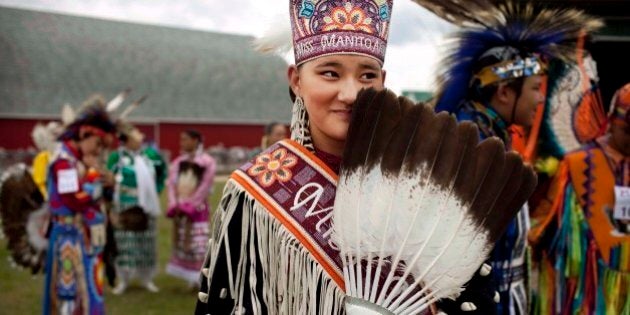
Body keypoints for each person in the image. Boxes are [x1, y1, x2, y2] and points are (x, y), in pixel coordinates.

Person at [420, 2, 602, 313]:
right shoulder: (470, 145)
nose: (540, 98)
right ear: (504, 92)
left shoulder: (488, 136)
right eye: (535, 88)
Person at [529, 83, 630, 315]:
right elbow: (543, 222)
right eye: (628, 131)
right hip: (586, 295)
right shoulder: (578, 165)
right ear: (612, 120)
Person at [43, 95, 116, 315]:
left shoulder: (78, 160)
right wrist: (97, 181)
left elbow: (96, 199)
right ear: (84, 135)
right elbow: (74, 199)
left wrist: (108, 183)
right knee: (70, 292)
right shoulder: (64, 162)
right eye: (97, 144)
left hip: (85, 237)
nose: (98, 151)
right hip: (69, 236)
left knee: (90, 288)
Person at [107, 122, 167, 294]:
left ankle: (146, 279)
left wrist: (156, 191)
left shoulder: (150, 155)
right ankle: (124, 280)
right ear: (126, 140)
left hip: (146, 205)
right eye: (135, 137)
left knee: (146, 242)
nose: (140, 139)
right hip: (125, 204)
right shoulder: (116, 158)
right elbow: (108, 179)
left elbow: (162, 173)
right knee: (125, 243)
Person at [166, 129, 216, 287]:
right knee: (183, 242)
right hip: (181, 209)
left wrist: (191, 205)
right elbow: (171, 185)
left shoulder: (207, 162)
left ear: (196, 141)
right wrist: (175, 203)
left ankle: (201, 279)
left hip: (198, 210)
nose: (183, 143)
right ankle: (191, 279)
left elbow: (205, 186)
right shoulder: (178, 162)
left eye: (186, 139)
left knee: (198, 245)